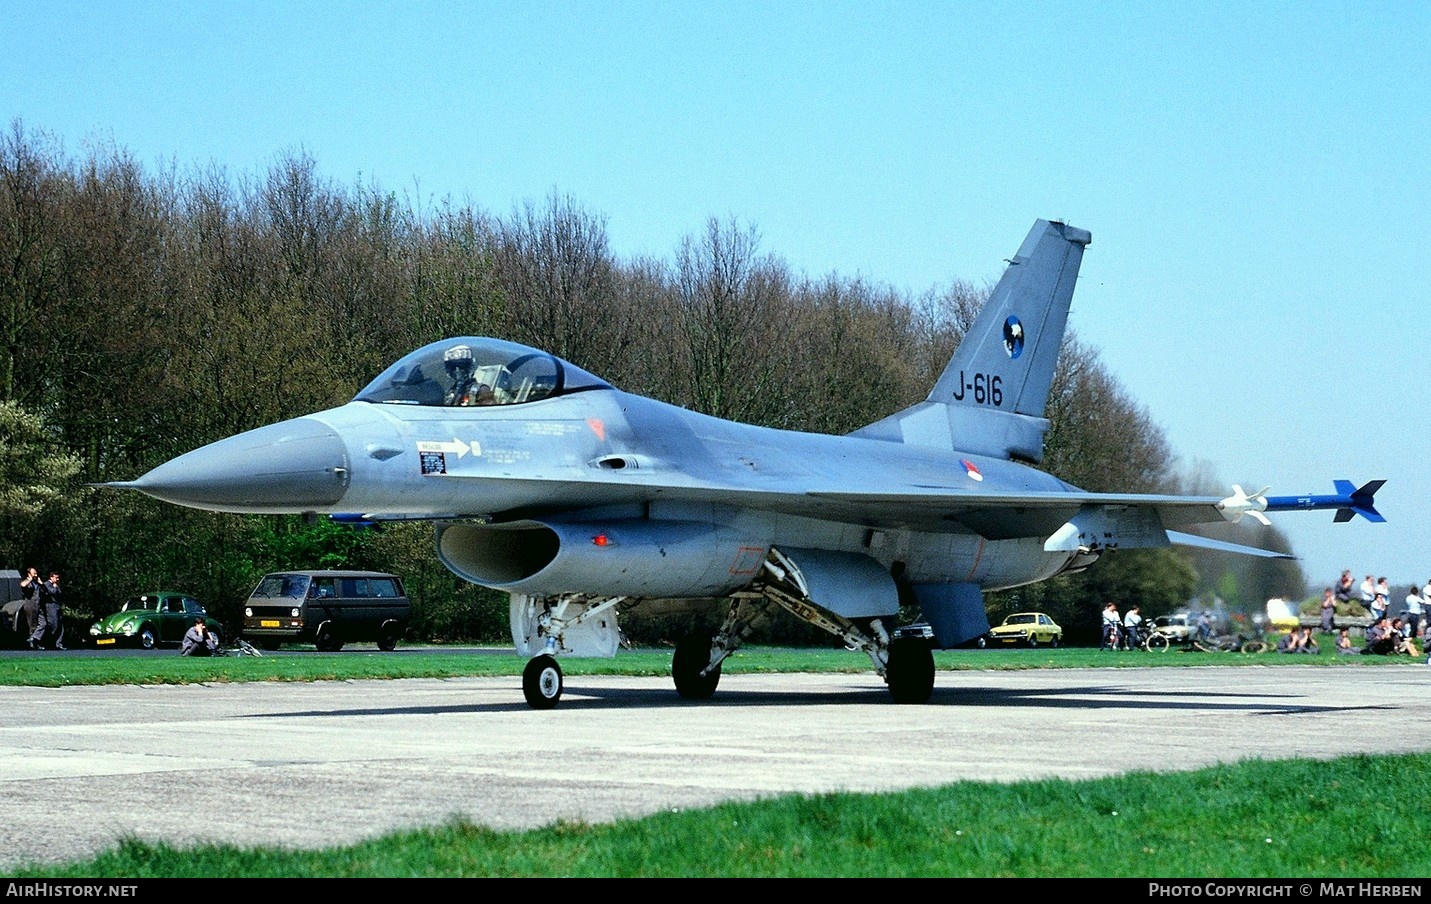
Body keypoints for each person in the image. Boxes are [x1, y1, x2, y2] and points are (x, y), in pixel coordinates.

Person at [35, 571, 63, 650]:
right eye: (56, 577)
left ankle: (59, 643)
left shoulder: (56, 585)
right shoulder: (46, 585)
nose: (57, 579)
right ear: (51, 577)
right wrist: (55, 587)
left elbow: (60, 593)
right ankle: (49, 642)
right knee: (54, 625)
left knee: (60, 626)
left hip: (57, 607)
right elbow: (52, 592)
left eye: (58, 578)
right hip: (50, 608)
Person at [18, 567, 43, 650]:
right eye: (34, 573)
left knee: (41, 623)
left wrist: (40, 583)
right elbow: (23, 585)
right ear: (29, 574)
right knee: (32, 624)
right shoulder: (27, 582)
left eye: (36, 573)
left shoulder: (37, 583)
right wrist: (30, 579)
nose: (36, 575)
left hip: (38, 605)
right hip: (30, 605)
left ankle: (35, 640)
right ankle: (32, 644)